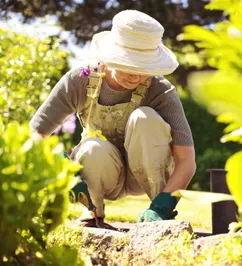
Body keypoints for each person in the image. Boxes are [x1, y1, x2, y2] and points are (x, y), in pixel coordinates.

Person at [29, 10, 196, 226]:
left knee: (145, 118)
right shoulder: (79, 81)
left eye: (143, 67)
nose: (136, 75)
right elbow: (35, 134)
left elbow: (186, 160)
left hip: (147, 173)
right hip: (99, 172)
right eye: (129, 64)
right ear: (111, 56)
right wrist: (59, 164)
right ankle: (93, 211)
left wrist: (165, 203)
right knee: (91, 148)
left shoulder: (160, 91)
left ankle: (156, 216)